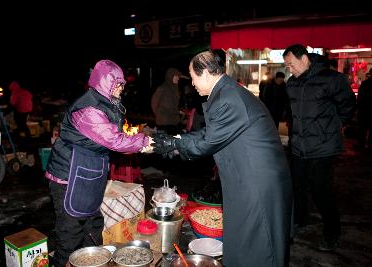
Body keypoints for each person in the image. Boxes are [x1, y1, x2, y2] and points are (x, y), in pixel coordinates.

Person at [153, 50, 292, 267]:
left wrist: (173, 144)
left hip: (257, 182)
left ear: (207, 73)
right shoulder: (225, 93)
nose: (191, 83)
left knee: (258, 246)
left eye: (193, 76)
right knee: (242, 241)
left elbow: (208, 141)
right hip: (246, 177)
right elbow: (212, 133)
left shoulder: (229, 97)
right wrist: (176, 139)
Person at [44, 59, 153, 267]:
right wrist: (144, 141)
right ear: (104, 83)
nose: (121, 88)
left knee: (93, 227)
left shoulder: (107, 102)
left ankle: (93, 262)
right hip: (68, 177)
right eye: (117, 83)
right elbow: (112, 139)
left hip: (87, 173)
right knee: (70, 234)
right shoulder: (88, 108)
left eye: (122, 83)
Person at [282, 44, 356, 251]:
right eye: (287, 66)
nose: (290, 69)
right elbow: (292, 113)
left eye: (292, 64)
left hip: (323, 146)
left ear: (304, 59)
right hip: (299, 146)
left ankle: (332, 231)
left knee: (321, 190)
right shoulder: (292, 84)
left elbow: (348, 105)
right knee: (297, 187)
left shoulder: (332, 79)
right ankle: (300, 220)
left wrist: (334, 126)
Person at [151, 67, 183, 135]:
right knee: (165, 143)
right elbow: (154, 103)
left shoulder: (175, 88)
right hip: (164, 123)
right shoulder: (163, 88)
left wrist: (178, 111)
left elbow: (174, 104)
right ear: (170, 76)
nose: (178, 78)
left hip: (173, 121)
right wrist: (159, 115)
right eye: (176, 76)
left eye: (178, 76)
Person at [355, 68, 372, 150]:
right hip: (367, 109)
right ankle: (370, 145)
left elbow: (360, 97)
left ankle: (361, 144)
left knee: (362, 128)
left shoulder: (365, 83)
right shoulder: (365, 83)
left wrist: (358, 107)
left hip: (364, 109)